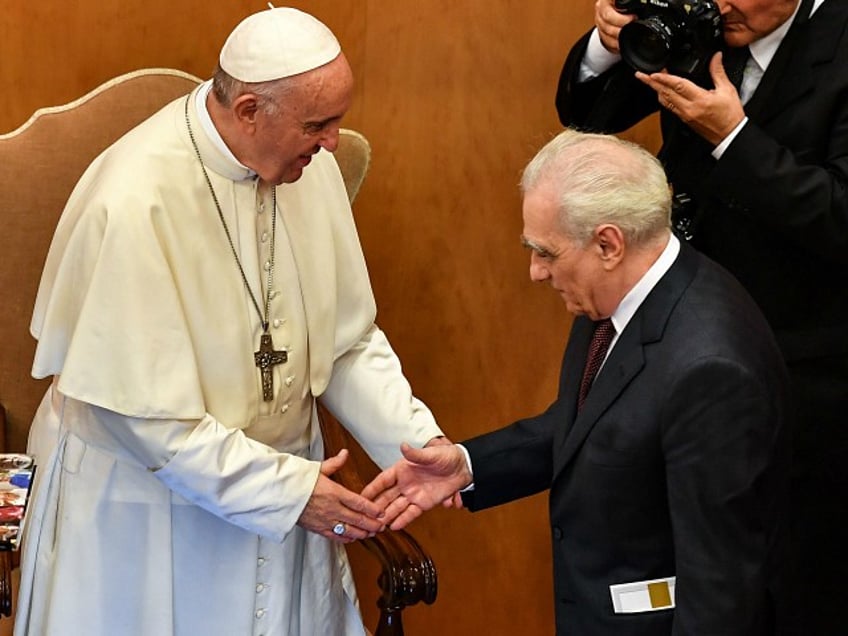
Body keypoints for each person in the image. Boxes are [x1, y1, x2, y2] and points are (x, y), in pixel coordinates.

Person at [14, 7, 444, 636]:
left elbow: (347, 342)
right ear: (248, 111)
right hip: (149, 506)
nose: (332, 146)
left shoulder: (308, 169)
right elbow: (143, 419)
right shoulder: (136, 199)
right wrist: (288, 493)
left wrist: (418, 443)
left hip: (291, 484)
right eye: (317, 125)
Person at [363, 130, 792, 635]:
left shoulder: (710, 370)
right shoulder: (623, 293)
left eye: (545, 252)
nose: (535, 272)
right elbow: (594, 427)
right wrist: (468, 466)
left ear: (608, 243)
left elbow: (719, 592)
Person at [554, 0, 847, 632]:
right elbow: (590, 117)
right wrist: (608, 45)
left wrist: (735, 140)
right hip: (676, 341)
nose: (722, 4)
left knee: (785, 583)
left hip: (804, 374)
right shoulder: (704, 17)